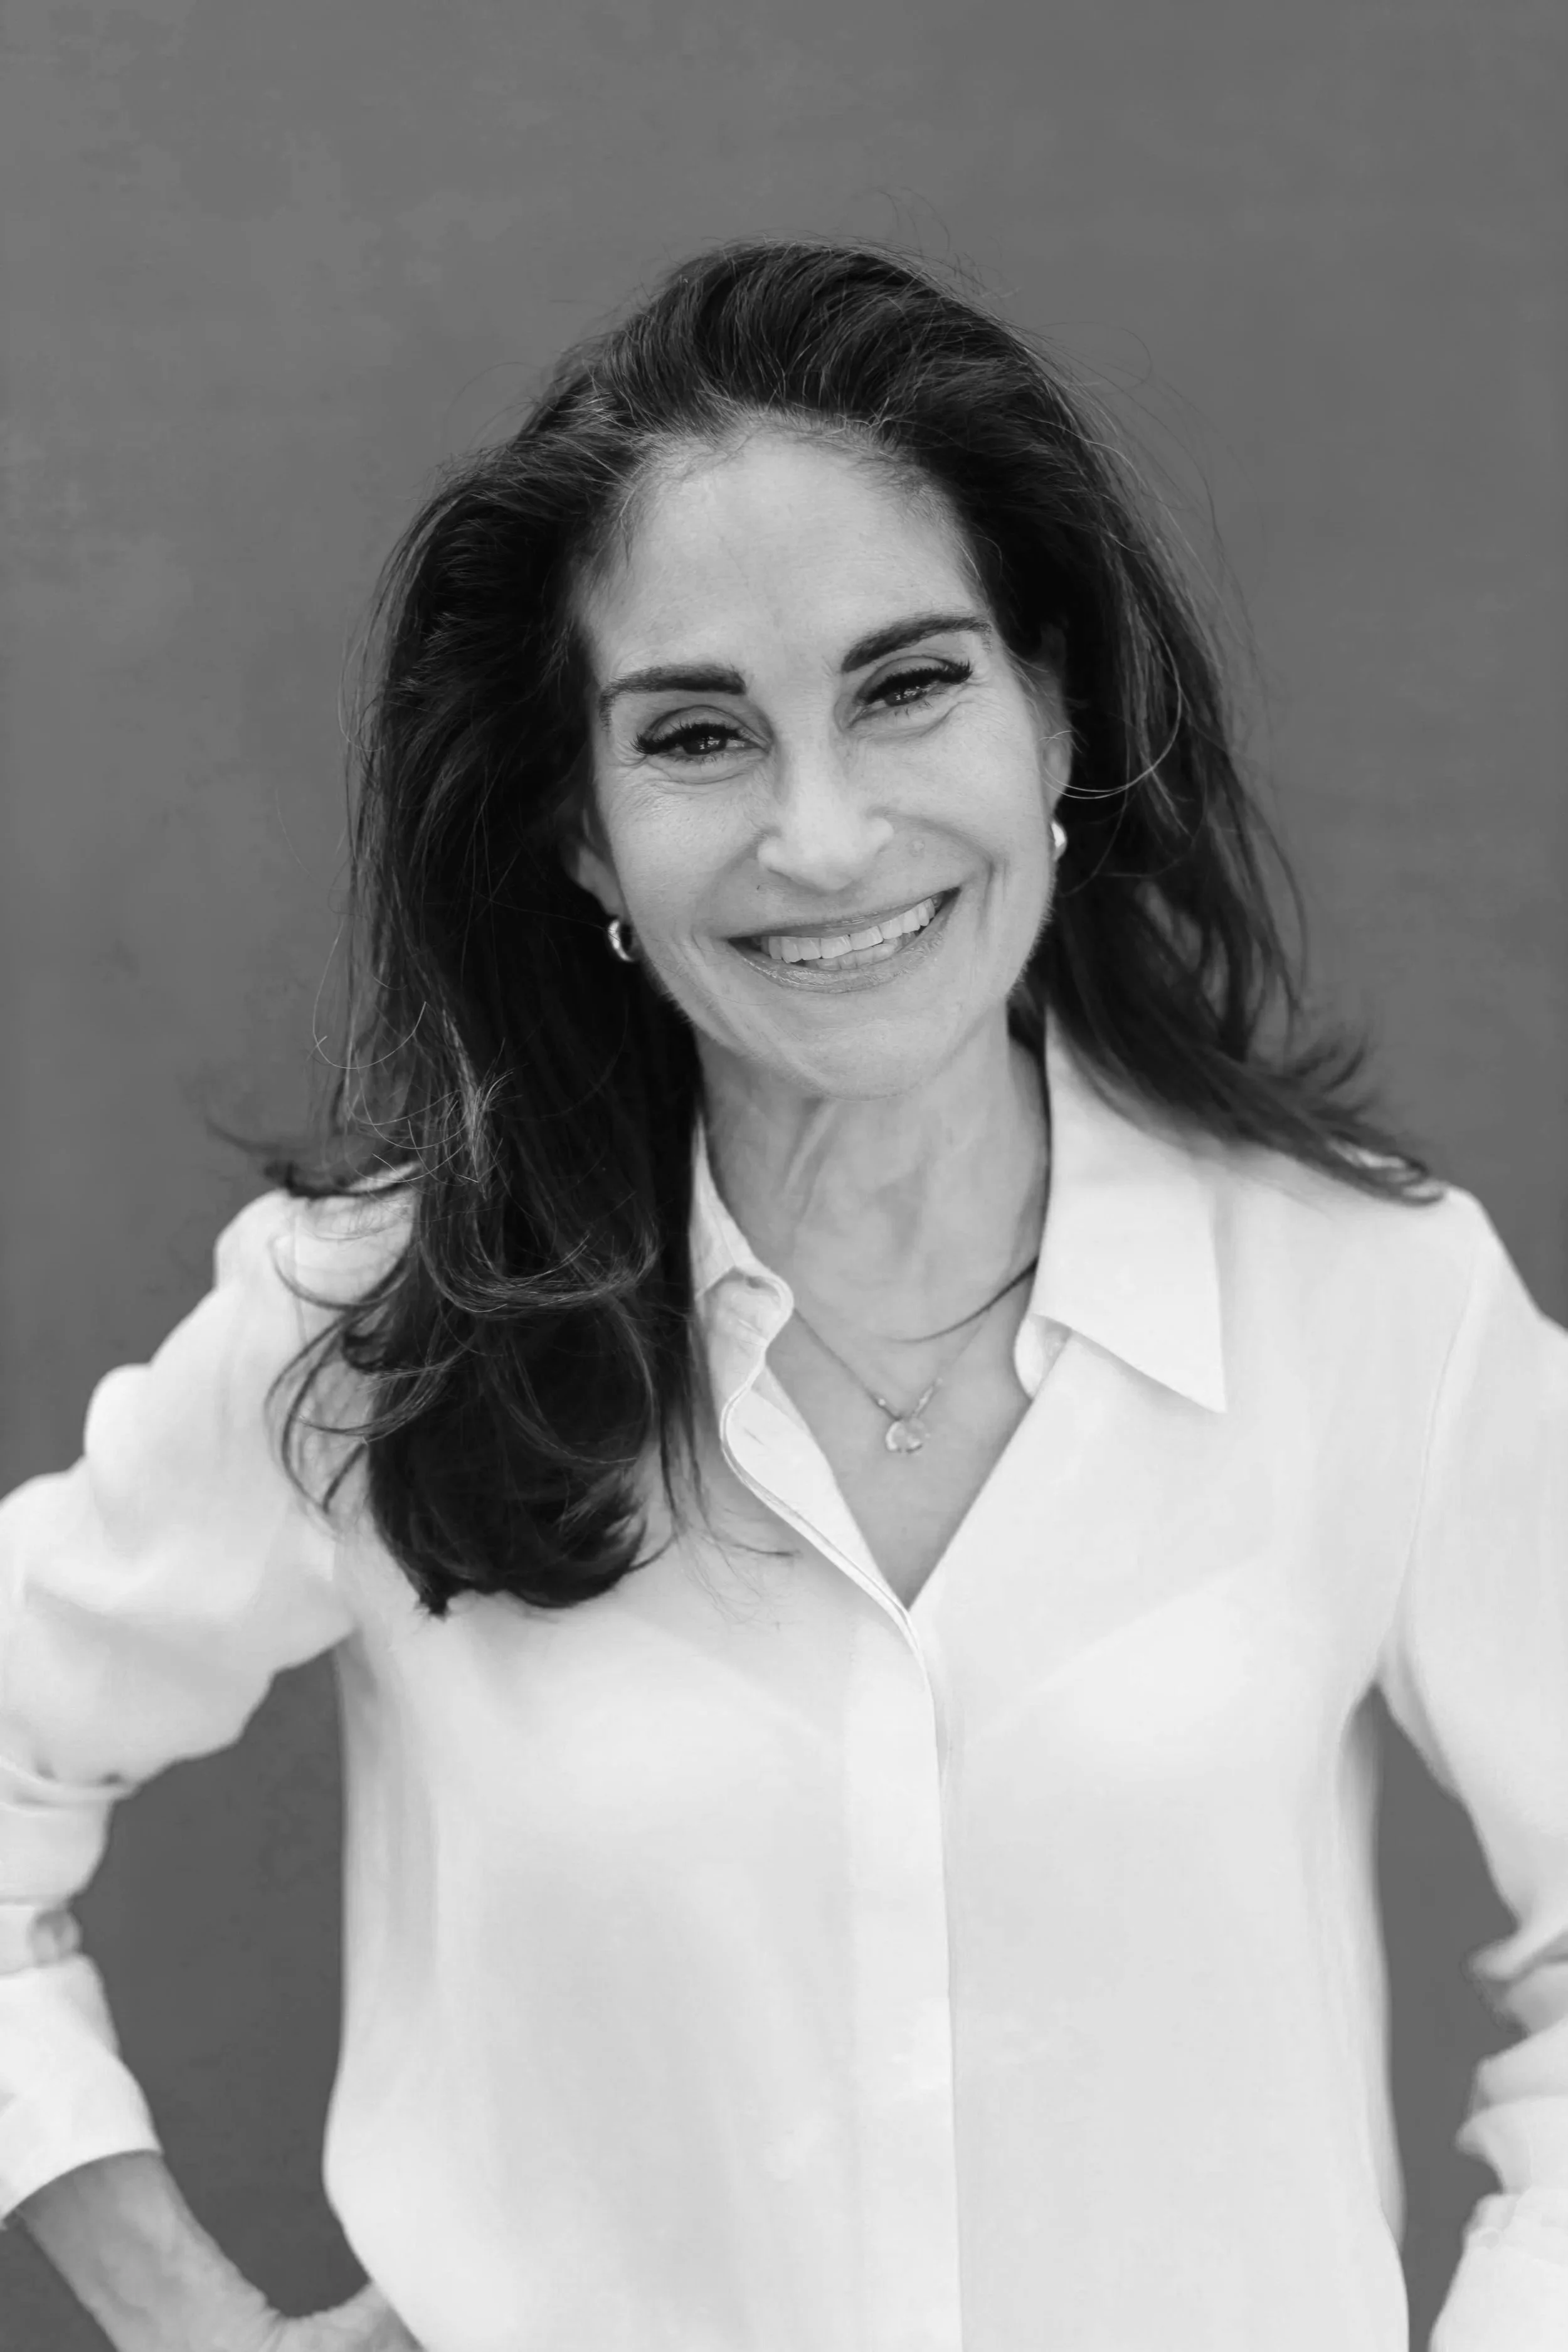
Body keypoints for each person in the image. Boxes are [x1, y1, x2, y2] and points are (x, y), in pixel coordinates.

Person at [1, 238, 1564, 2352]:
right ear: (579, 830)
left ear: (1055, 713)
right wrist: (165, 2302)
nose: (822, 837)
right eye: (699, 734)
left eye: (907, 685)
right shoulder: (383, 1322)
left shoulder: (1368, 1302)